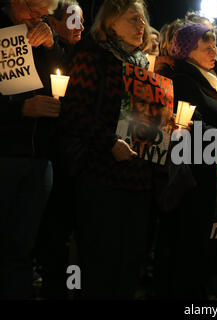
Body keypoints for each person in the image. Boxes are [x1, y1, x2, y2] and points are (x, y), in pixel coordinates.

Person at [59, 0, 156, 299]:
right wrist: (109, 143)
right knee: (100, 260)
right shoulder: (94, 56)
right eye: (133, 19)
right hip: (101, 175)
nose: (141, 25)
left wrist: (166, 128)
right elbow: (75, 110)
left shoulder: (143, 63)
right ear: (111, 22)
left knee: (129, 261)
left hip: (138, 178)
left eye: (143, 20)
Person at [154, 22, 217, 299]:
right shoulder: (183, 81)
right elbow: (193, 125)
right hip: (198, 175)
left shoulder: (212, 76)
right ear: (189, 50)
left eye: (215, 44)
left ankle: (214, 286)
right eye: (208, 46)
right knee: (195, 241)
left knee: (214, 238)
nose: (215, 50)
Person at [0, 0, 61, 300]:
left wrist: (52, 46)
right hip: (5, 155)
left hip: (39, 159)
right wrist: (20, 109)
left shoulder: (41, 32)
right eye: (36, 9)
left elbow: (64, 80)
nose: (40, 17)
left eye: (46, 13)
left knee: (23, 247)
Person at [32, 0, 85, 300]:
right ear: (52, 22)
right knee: (52, 232)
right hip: (48, 154)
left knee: (68, 233)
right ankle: (55, 288)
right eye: (73, 19)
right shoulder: (44, 53)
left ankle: (70, 287)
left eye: (82, 19)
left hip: (72, 159)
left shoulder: (83, 55)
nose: (81, 26)